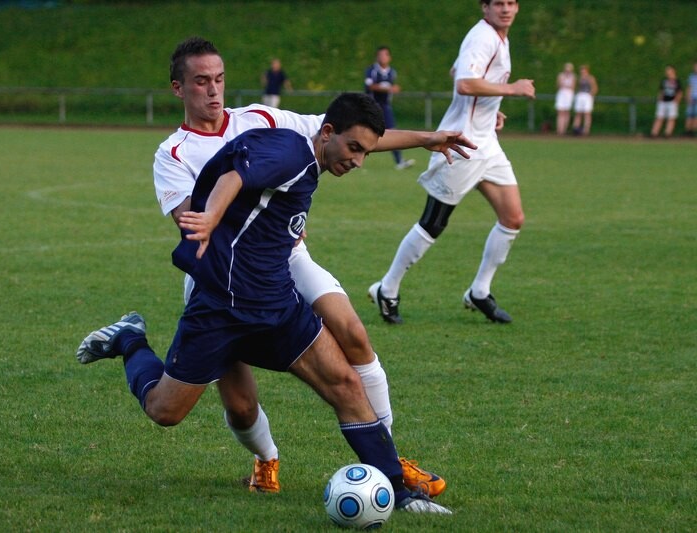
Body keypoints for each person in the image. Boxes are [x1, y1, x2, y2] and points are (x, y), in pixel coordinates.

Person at [99, 37, 473, 496]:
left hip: (284, 260)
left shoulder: (261, 117)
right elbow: (194, 221)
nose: (213, 90)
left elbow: (346, 135)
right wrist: (252, 214)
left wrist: (429, 138)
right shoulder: (173, 153)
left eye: (219, 79)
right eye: (201, 81)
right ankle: (264, 457)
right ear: (179, 88)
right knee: (229, 405)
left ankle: (390, 462)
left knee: (352, 335)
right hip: (222, 274)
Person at [368, 0, 534, 325]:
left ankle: (479, 292)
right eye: (498, 3)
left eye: (511, 3)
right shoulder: (482, 36)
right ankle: (387, 288)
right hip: (461, 143)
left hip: (487, 143)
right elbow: (464, 83)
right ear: (484, 7)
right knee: (432, 224)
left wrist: (491, 107)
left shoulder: (499, 38)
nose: (506, 9)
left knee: (513, 218)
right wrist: (512, 89)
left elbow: (457, 70)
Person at [365, 46, 415, 170]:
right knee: (364, 131)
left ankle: (399, 161)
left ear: (389, 57)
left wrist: (394, 89)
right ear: (377, 57)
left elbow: (392, 88)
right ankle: (350, 157)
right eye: (380, 55)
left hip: (385, 107)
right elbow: (370, 86)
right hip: (371, 106)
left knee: (392, 131)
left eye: (385, 55)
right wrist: (387, 88)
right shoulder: (372, 70)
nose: (382, 57)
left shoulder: (392, 72)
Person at [650, 65, 683, 138]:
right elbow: (661, 91)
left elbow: (679, 92)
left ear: (673, 71)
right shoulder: (664, 80)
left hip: (672, 102)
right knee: (659, 117)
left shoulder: (677, 81)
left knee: (671, 118)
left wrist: (676, 101)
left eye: (669, 70)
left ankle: (667, 133)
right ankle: (654, 133)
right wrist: (659, 99)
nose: (667, 72)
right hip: (663, 102)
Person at [571, 64, 598, 136]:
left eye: (584, 70)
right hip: (580, 95)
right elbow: (575, 87)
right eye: (581, 71)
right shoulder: (579, 78)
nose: (582, 72)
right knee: (578, 113)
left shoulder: (590, 78)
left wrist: (591, 95)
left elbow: (594, 87)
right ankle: (575, 128)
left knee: (587, 113)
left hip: (587, 95)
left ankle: (586, 130)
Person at [554, 62, 575, 135]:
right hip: (561, 94)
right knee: (560, 112)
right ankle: (559, 129)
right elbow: (559, 85)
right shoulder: (561, 75)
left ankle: (564, 130)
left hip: (569, 95)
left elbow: (573, 86)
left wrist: (566, 86)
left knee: (566, 112)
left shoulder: (573, 76)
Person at [685, 62, 697, 137]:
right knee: (689, 115)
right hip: (691, 98)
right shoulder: (691, 76)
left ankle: (694, 131)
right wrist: (688, 96)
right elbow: (689, 87)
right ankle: (688, 131)